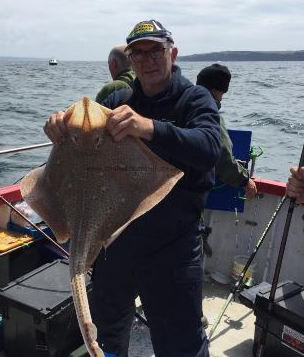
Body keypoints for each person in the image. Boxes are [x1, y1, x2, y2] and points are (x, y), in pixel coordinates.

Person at [44, 19, 221, 357]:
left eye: (156, 50)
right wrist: (61, 131)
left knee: (180, 342)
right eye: (138, 53)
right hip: (118, 241)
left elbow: (210, 147)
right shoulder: (120, 102)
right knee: (105, 335)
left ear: (173, 53)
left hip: (173, 246)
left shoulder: (194, 99)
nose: (147, 59)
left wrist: (150, 128)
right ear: (130, 60)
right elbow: (88, 160)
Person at [196, 63, 257, 199]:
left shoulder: (181, 105)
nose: (222, 97)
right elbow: (222, 158)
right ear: (215, 90)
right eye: (222, 92)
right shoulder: (210, 114)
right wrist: (245, 180)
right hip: (189, 195)